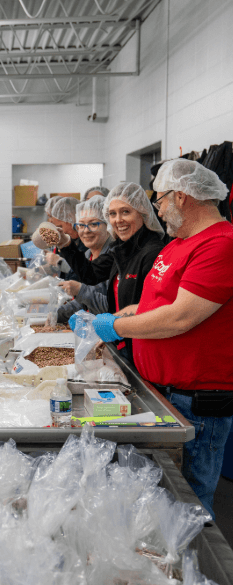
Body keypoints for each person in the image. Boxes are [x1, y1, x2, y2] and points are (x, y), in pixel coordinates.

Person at [89, 159, 233, 518]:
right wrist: (124, 314)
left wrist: (116, 329)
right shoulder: (177, 244)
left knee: (187, 505)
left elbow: (181, 316)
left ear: (181, 196)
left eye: (160, 201)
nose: (159, 209)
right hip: (162, 391)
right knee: (162, 499)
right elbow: (155, 302)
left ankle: (193, 571)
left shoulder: (220, 244)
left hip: (195, 403)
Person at [58, 182, 167, 361]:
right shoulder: (121, 249)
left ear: (142, 212)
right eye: (112, 214)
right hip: (123, 343)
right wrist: (65, 244)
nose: (118, 220)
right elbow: (90, 275)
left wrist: (111, 324)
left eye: (126, 212)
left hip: (144, 349)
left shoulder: (152, 252)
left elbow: (152, 309)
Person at [57, 197, 111, 322]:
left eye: (93, 224)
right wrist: (55, 314)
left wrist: (80, 290)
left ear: (108, 225)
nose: (86, 231)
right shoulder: (87, 255)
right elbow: (83, 304)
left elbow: (111, 306)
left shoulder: (113, 258)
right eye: (81, 225)